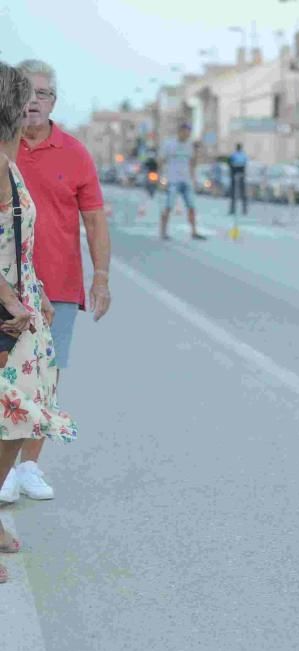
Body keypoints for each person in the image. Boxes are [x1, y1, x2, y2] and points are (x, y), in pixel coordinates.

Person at [0, 60, 105, 505]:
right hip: (10, 286)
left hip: (54, 285)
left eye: (43, 94)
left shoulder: (74, 151)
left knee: (43, 377)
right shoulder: (6, 151)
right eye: (27, 93)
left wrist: (100, 276)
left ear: (54, 101)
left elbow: (95, 219)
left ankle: (26, 467)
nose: (34, 102)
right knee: (10, 383)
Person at [0, 62, 78, 583]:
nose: (32, 104)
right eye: (26, 96)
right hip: (7, 314)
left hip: (23, 308)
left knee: (20, 417)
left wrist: (38, 291)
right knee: (13, 416)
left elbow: (14, 238)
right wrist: (9, 298)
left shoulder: (8, 159)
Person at [159, 122, 206, 241]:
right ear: (180, 132)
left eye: (189, 133)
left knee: (191, 206)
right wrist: (162, 177)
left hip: (186, 180)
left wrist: (193, 178)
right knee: (169, 206)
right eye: (185, 132)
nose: (187, 135)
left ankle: (194, 231)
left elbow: (192, 164)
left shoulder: (190, 146)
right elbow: (161, 160)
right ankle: (163, 231)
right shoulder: (169, 144)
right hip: (173, 180)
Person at [228, 143, 248, 216]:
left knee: (234, 192)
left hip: (235, 172)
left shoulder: (234, 155)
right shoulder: (243, 155)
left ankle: (233, 209)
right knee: (242, 192)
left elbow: (230, 164)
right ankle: (243, 209)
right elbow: (245, 164)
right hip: (240, 172)